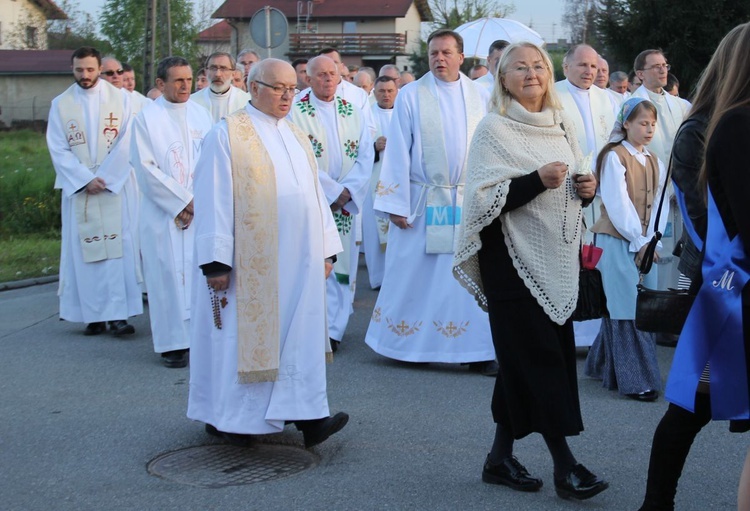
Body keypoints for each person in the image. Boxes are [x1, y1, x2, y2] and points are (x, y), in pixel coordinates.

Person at [453, 41, 608, 501]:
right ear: (502, 78)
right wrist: (534, 180)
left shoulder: (562, 123)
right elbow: (481, 200)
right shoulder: (493, 129)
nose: (531, 73)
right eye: (519, 67)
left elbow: (572, 192)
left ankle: (499, 460)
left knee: (524, 362)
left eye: (538, 65)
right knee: (540, 361)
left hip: (555, 258)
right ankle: (566, 467)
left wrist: (585, 189)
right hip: (510, 263)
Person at [188, 58, 348, 447]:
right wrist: (215, 261)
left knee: (299, 337)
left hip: (300, 261)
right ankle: (234, 420)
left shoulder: (295, 135)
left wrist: (328, 250)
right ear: (254, 87)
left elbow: (313, 197)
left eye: (293, 88)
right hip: (251, 264)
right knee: (244, 339)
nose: (288, 96)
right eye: (279, 88)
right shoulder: (226, 135)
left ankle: (309, 417)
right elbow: (213, 199)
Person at [638, 22, 750, 511]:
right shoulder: (701, 128)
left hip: (733, 275)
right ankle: (656, 503)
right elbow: (705, 213)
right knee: (692, 403)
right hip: (721, 279)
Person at [364, 29, 496, 375]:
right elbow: (397, 151)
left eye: (446, 53)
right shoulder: (411, 95)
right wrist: (396, 203)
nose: (439, 59)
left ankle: (476, 349)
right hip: (422, 203)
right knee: (417, 276)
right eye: (434, 53)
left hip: (466, 200)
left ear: (461, 57)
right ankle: (404, 343)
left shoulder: (479, 95)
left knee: (465, 277)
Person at [46, 46, 142, 337]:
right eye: (79, 70)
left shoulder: (121, 99)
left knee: (117, 252)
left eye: (90, 69)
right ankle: (93, 315)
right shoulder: (60, 104)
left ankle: (118, 315)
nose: (84, 75)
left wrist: (106, 177)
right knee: (85, 254)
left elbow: (129, 139)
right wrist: (83, 178)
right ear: (72, 69)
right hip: (81, 190)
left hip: (113, 188)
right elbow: (57, 147)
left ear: (99, 68)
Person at [130, 56, 213, 368]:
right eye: (177, 80)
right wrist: (181, 202)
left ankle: (200, 339)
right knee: (166, 274)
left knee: (198, 273)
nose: (185, 86)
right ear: (161, 84)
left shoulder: (202, 115)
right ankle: (172, 344)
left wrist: (198, 200)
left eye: (189, 80)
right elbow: (146, 168)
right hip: (162, 213)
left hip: (200, 209)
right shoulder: (146, 119)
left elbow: (213, 161)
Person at [583, 98, 668, 401]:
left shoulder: (655, 160)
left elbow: (659, 205)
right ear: (626, 124)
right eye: (642, 123)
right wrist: (640, 241)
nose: (648, 129)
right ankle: (638, 381)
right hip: (617, 239)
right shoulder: (614, 157)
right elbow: (617, 206)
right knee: (628, 308)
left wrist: (652, 239)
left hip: (644, 242)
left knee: (639, 305)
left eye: (652, 124)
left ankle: (600, 364)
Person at [291, 55, 374, 352]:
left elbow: (365, 155)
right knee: (316, 264)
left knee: (344, 265)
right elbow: (299, 157)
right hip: (313, 201)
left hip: (345, 203)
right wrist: (331, 191)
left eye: (332, 74)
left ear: (340, 78)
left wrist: (348, 192)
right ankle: (315, 326)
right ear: (308, 79)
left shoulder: (353, 111)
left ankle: (335, 329)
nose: (328, 80)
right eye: (321, 75)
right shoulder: (294, 111)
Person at [554, 43, 618, 348]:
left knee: (600, 260)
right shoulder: (552, 96)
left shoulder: (607, 99)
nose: (588, 71)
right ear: (566, 67)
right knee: (570, 261)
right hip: (567, 191)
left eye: (593, 66)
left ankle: (598, 335)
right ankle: (569, 329)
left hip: (603, 193)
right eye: (582, 65)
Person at [361, 76, 398, 290]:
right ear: (374, 93)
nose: (386, 94)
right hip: (372, 183)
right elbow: (356, 149)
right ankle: (377, 278)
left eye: (390, 90)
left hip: (397, 183)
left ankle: (395, 279)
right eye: (381, 90)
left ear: (396, 91)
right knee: (374, 233)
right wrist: (373, 148)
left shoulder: (404, 114)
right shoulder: (367, 117)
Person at [190, 52, 251, 123]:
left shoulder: (246, 101)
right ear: (206, 72)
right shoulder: (193, 101)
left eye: (223, 68)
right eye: (213, 68)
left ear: (233, 73)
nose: (217, 74)